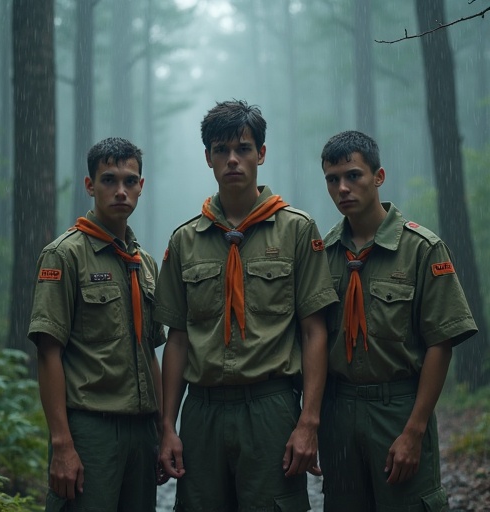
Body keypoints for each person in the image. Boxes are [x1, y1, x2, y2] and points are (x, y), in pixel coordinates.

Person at [154, 99, 338, 511]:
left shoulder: (296, 229)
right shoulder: (186, 240)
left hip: (270, 407)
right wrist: (167, 426)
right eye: (221, 150)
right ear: (207, 158)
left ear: (261, 153)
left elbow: (314, 331)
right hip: (202, 412)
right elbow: (178, 340)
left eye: (243, 148)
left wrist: (309, 420)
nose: (232, 159)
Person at [318, 130, 478, 512]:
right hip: (338, 409)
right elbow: (313, 339)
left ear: (379, 176)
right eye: (332, 179)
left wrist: (415, 429)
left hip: (398, 407)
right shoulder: (323, 255)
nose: (342, 187)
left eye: (353, 175)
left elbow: (440, 343)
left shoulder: (421, 249)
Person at [28, 137, 165, 512]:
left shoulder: (145, 264)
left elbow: (150, 352)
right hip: (91, 430)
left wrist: (162, 430)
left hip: (141, 432)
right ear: (90, 186)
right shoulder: (64, 255)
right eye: (108, 180)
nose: (121, 190)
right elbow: (48, 354)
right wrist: (62, 444)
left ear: (141, 186)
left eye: (130, 181)